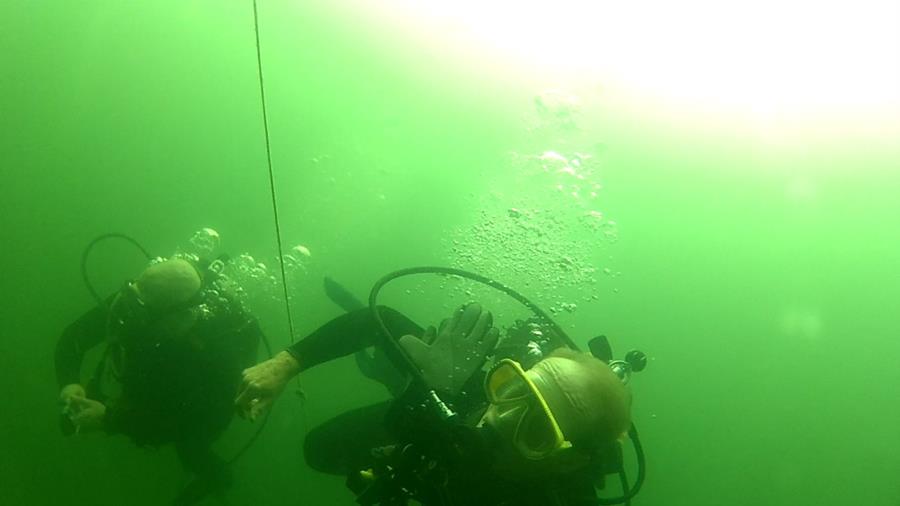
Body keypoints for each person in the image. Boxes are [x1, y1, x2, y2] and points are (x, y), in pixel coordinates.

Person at [235, 301, 632, 505]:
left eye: (538, 429)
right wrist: (284, 364)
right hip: (431, 408)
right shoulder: (465, 387)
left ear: (569, 459)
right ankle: (401, 378)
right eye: (512, 390)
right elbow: (378, 320)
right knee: (317, 451)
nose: (497, 420)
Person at [55, 257, 263, 505]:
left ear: (183, 316)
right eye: (134, 303)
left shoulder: (219, 350)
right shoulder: (138, 301)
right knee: (71, 419)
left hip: (193, 404)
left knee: (190, 449)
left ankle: (217, 477)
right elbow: (74, 339)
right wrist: (69, 383)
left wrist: (111, 420)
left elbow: (198, 421)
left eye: (142, 312)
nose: (131, 317)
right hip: (152, 371)